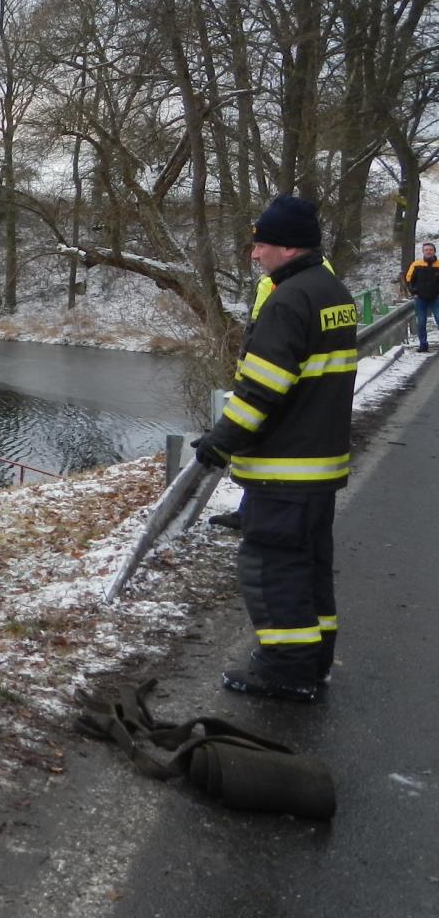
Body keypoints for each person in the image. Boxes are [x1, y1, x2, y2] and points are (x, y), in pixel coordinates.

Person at [192, 196, 355, 702]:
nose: (255, 253)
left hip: (285, 468)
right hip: (319, 464)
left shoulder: (288, 301)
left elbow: (261, 389)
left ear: (288, 247)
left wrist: (221, 441)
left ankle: (288, 669)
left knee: (272, 567)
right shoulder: (332, 292)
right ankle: (314, 659)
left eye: (261, 243)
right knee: (309, 568)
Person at [403, 241, 439, 351]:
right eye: (426, 250)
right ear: (423, 252)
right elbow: (409, 280)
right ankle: (423, 344)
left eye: (430, 250)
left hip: (436, 298)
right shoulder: (416, 265)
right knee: (421, 322)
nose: (428, 252)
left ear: (434, 252)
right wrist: (413, 293)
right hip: (420, 298)